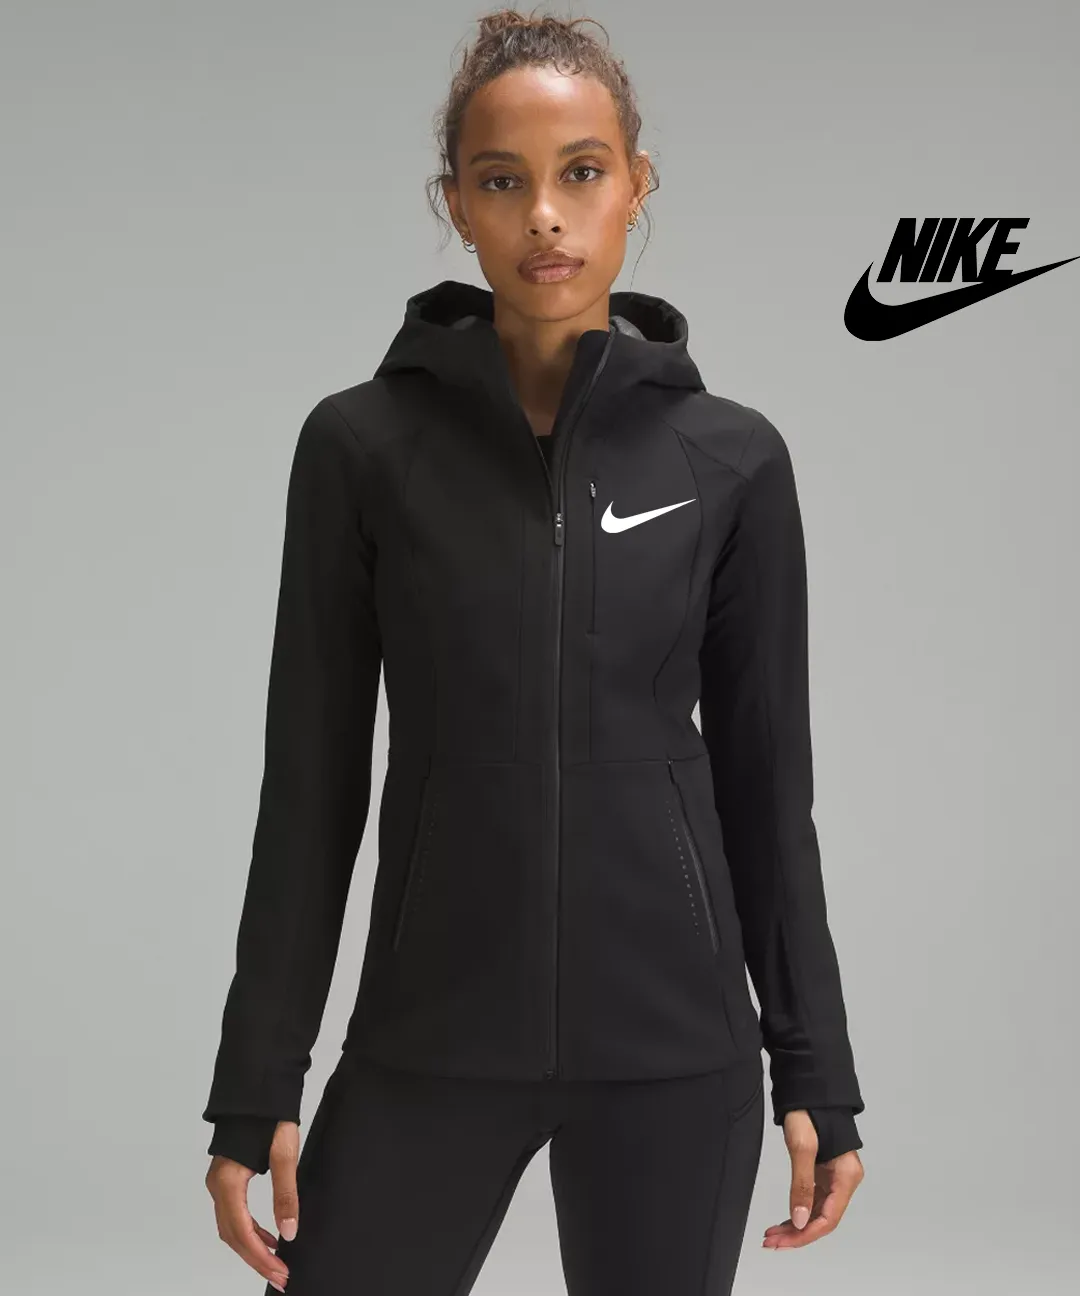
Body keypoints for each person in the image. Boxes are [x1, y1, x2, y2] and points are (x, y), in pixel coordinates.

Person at [202, 8, 866, 1293]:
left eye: (582, 172)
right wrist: (255, 1082)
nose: (546, 216)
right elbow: (310, 790)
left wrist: (816, 1068)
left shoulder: (729, 459)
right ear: (455, 202)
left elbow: (768, 790)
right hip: (429, 1038)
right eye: (502, 181)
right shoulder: (362, 448)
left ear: (636, 185)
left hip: (674, 1052)